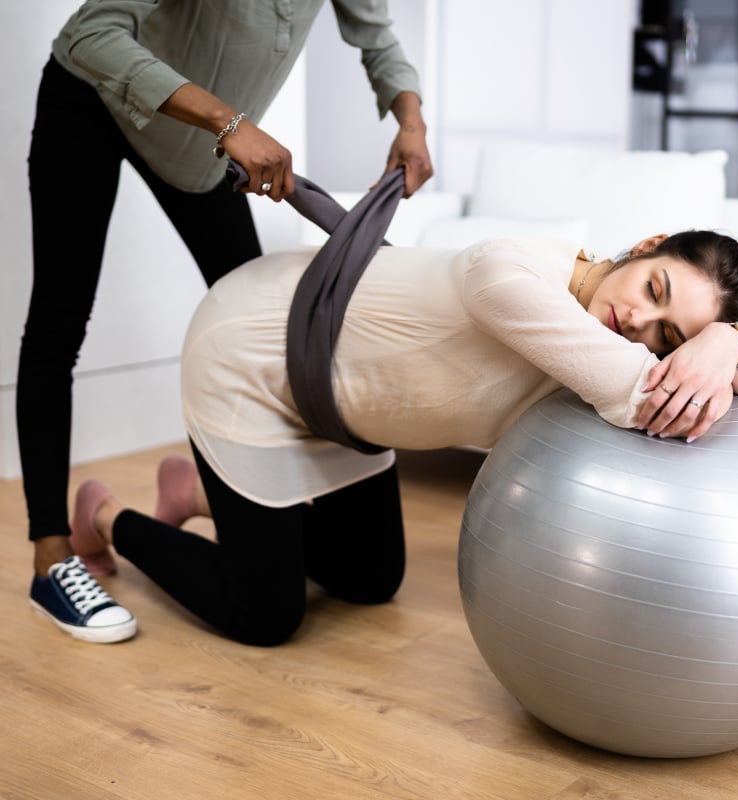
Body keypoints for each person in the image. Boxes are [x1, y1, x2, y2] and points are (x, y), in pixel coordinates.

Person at [61, 229, 738, 646]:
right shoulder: (507, 275)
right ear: (648, 244)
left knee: (370, 581)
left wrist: (728, 340)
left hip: (346, 409)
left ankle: (204, 493)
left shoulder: (610, 332)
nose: (640, 324)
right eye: (655, 290)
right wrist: (713, 347)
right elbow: (646, 400)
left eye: (668, 335)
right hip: (255, 357)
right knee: (268, 616)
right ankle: (104, 517)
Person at [22, 1, 434, 643]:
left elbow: (374, 34)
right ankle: (54, 552)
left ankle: (203, 494)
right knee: (58, 323)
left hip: (196, 150)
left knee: (267, 336)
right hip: (96, 104)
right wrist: (229, 121)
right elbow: (91, 33)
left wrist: (410, 119)